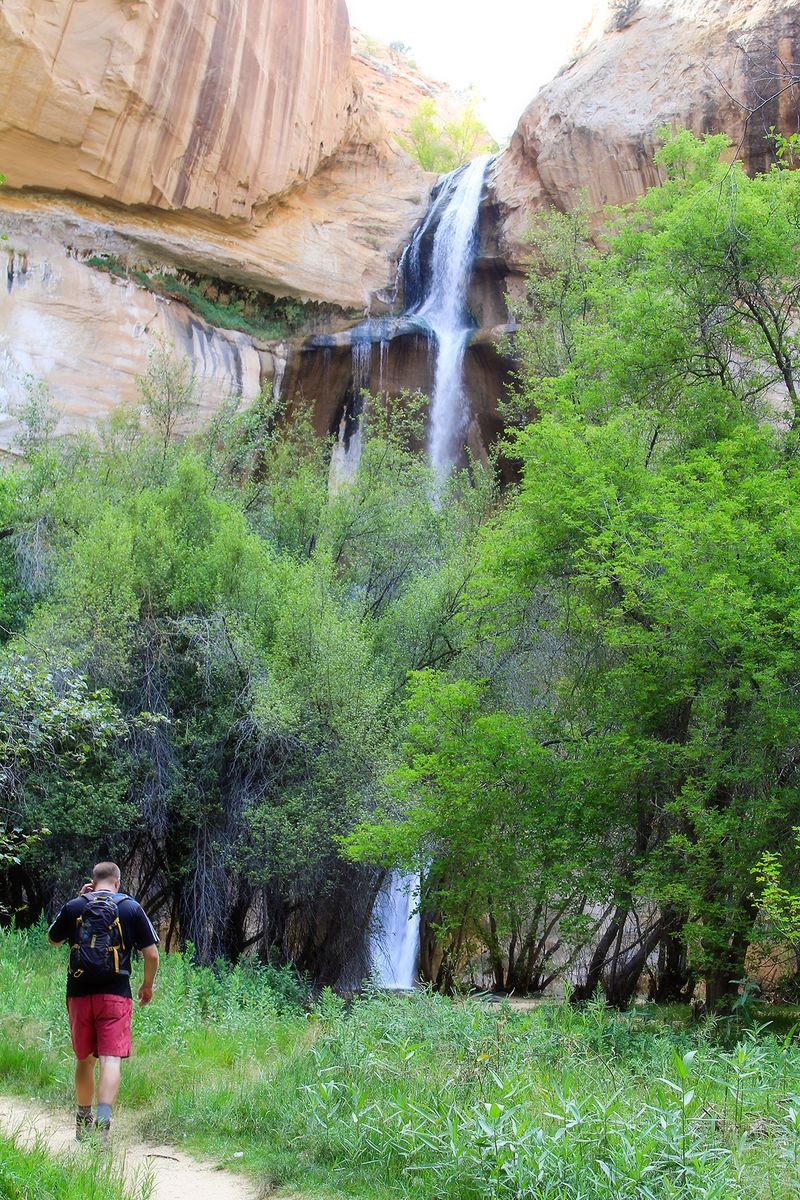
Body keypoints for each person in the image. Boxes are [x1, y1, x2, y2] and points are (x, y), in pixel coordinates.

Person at [48, 861, 159, 1149]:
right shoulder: (131, 908)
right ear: (118, 882)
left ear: (92, 881)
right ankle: (103, 1125)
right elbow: (152, 955)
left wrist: (75, 899)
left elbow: (52, 939)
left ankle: (82, 1124)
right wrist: (146, 985)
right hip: (116, 994)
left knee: (84, 1059)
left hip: (79, 994)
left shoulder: (75, 906)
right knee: (110, 1059)